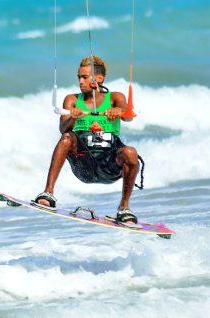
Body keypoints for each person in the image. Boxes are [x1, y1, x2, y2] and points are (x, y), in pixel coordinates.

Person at [35, 55, 141, 224]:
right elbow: (63, 128)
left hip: (109, 167)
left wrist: (118, 111)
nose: (80, 82)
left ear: (99, 78)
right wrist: (73, 118)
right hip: (83, 165)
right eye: (79, 77)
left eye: (84, 77)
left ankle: (124, 208)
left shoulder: (115, 98)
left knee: (130, 152)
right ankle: (48, 193)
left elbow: (128, 115)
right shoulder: (72, 100)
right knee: (67, 137)